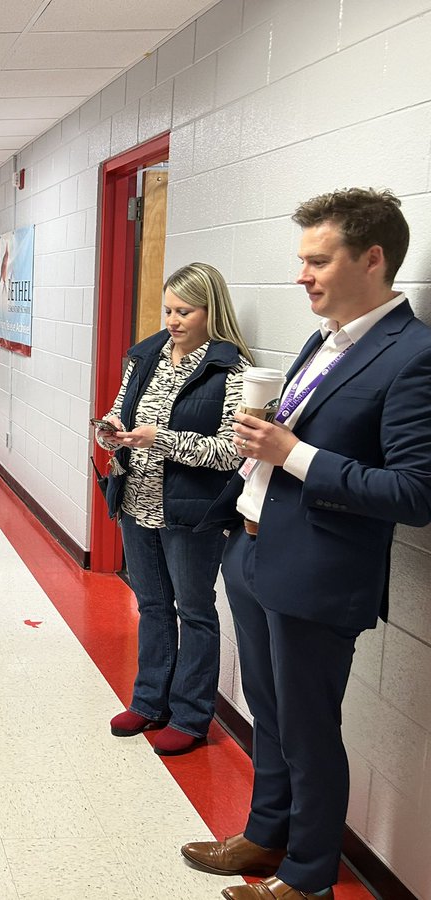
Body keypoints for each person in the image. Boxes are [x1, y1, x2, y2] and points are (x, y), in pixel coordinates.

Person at [181, 189, 431, 900]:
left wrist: (293, 454)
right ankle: (265, 835)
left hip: (320, 572)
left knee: (310, 727)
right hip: (256, 549)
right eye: (302, 261)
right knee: (268, 712)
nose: (302, 275)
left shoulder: (412, 355)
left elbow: (414, 492)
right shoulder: (326, 340)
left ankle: (309, 876)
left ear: (373, 258)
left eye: (317, 260)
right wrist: (257, 449)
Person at [97, 262, 253, 756]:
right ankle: (149, 702)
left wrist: (160, 440)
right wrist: (109, 430)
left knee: (195, 611)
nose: (172, 320)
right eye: (168, 309)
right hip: (136, 501)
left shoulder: (230, 371)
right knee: (152, 605)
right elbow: (122, 409)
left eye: (185, 311)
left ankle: (189, 715)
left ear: (212, 311)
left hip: (192, 513)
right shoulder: (146, 357)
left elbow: (231, 452)